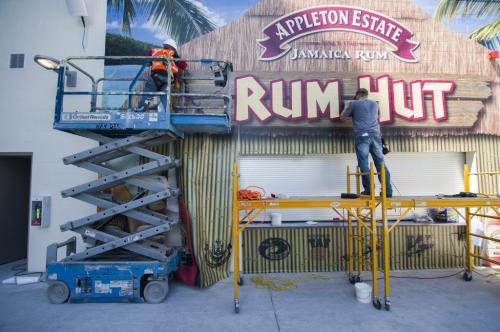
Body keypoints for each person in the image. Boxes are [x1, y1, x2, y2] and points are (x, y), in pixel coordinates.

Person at [340, 88, 393, 197]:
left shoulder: (354, 103)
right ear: (366, 95)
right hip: (376, 135)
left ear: (358, 95)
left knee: (363, 162)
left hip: (362, 135)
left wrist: (347, 106)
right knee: (380, 163)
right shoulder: (375, 104)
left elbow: (342, 118)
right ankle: (387, 191)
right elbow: (379, 117)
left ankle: (369, 190)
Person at [138, 38, 188, 112]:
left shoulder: (154, 51)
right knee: (165, 98)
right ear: (173, 47)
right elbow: (184, 65)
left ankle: (140, 111)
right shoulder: (172, 53)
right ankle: (166, 114)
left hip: (154, 78)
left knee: (147, 95)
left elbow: (148, 63)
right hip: (167, 80)